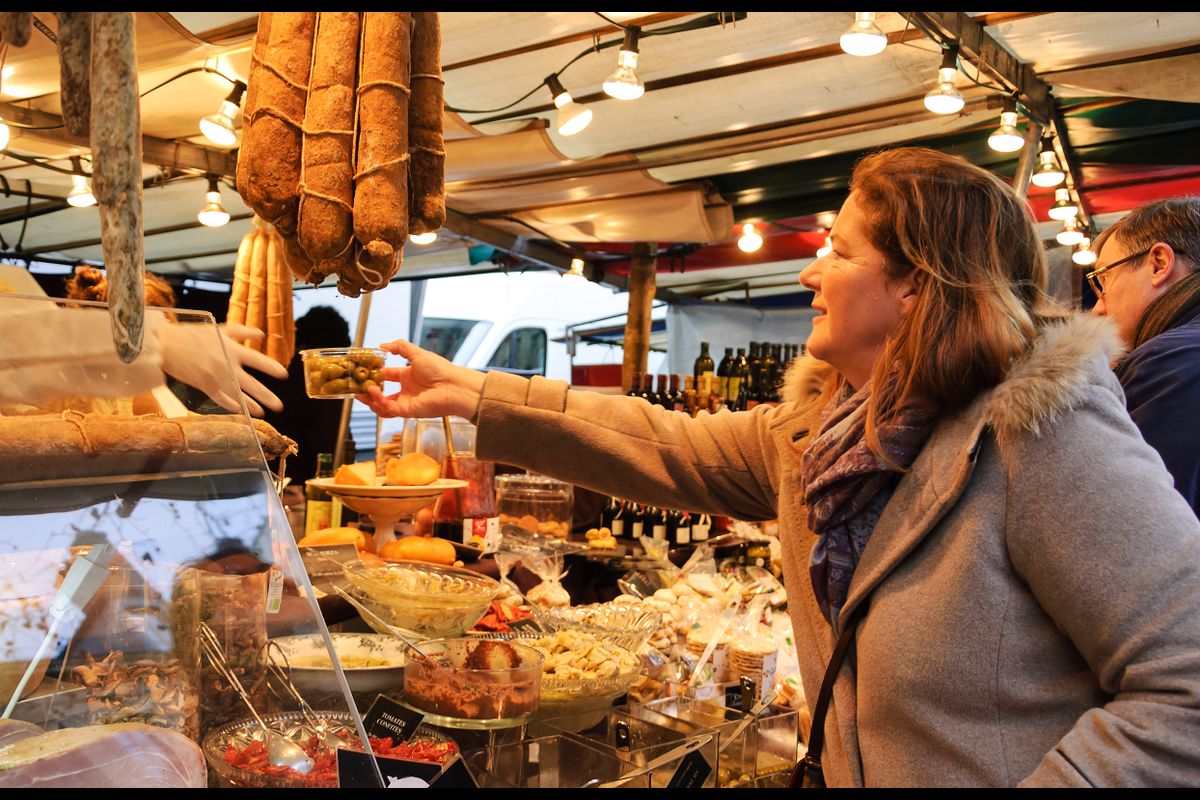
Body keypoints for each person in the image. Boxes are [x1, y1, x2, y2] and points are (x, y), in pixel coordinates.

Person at [359, 146, 1200, 788]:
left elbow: (1185, 686)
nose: (810, 272)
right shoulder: (822, 434)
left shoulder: (1044, 432)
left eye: (837, 250)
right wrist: (469, 393)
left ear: (915, 285)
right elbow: (666, 443)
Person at [1089, 198, 1200, 514]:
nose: (1098, 306)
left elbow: (1134, 519)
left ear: (1158, 264)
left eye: (1103, 280)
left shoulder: (1171, 363)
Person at [261, 305, 356, 486]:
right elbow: (330, 441)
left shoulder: (268, 367)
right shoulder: (321, 381)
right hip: (302, 485)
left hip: (257, 478)